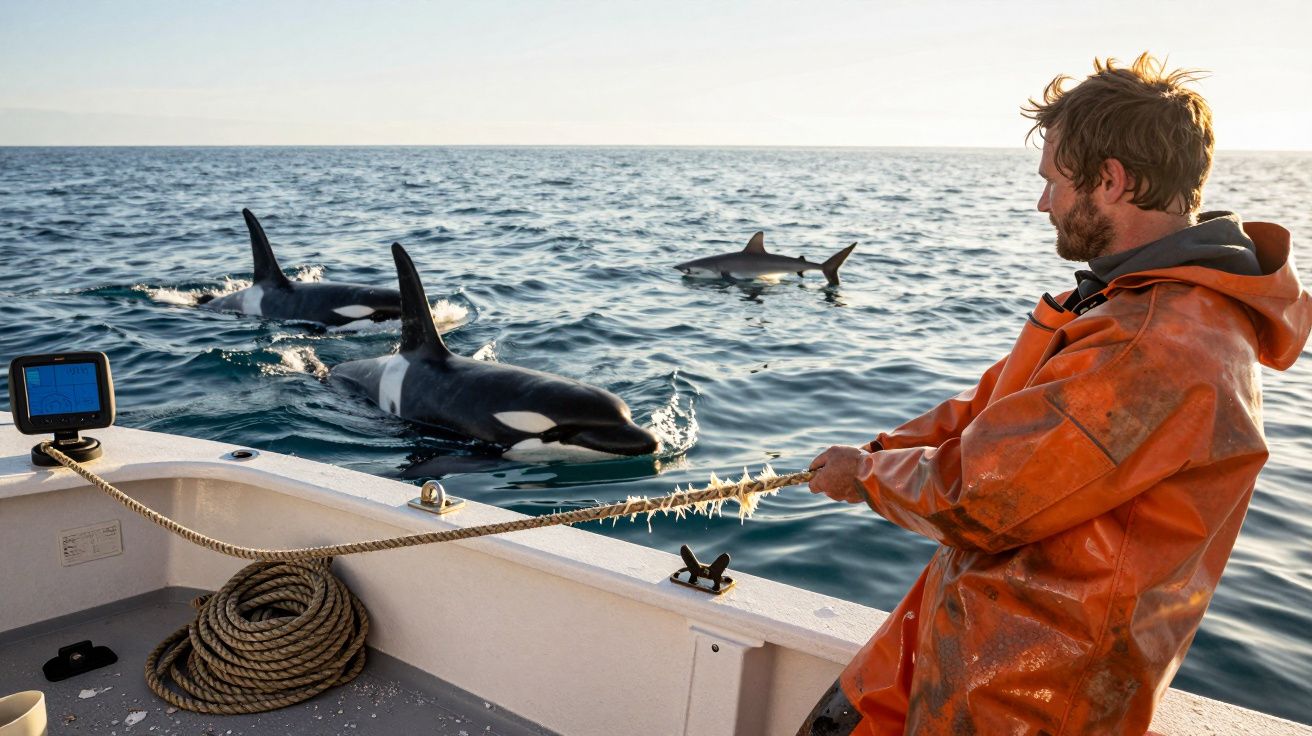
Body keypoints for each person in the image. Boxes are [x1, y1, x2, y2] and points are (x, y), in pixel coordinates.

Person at [799, 53, 1312, 736]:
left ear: (1111, 180)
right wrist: (886, 448)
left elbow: (979, 494)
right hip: (982, 657)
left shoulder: (1153, 344)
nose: (1043, 204)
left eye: (1053, 183)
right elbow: (999, 410)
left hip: (1026, 699)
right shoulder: (1132, 303)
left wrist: (863, 476)